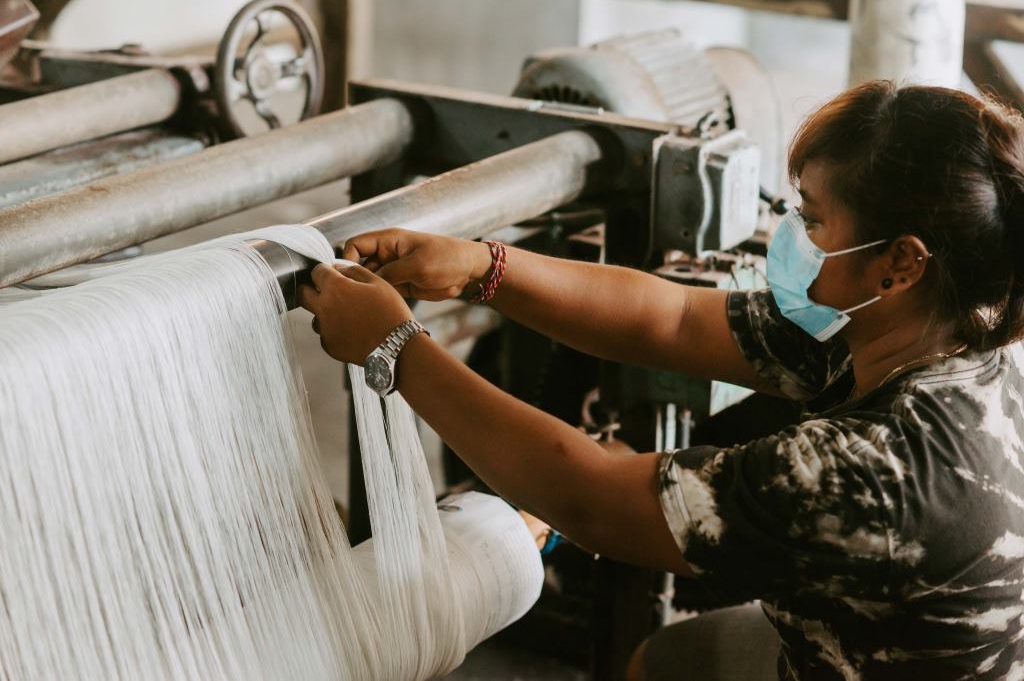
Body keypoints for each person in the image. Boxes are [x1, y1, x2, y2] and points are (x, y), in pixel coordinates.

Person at [297, 81, 1024, 679]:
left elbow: (593, 504)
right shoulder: (923, 333)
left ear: (899, 263)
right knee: (665, 662)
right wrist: (480, 266)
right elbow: (673, 318)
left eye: (815, 221)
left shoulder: (881, 471)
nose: (794, 240)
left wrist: (397, 346)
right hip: (885, 640)